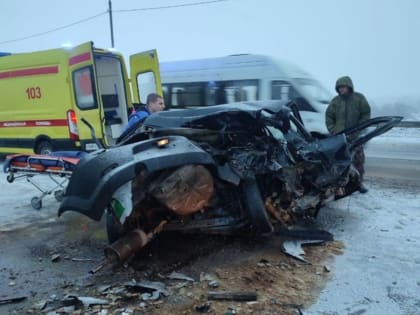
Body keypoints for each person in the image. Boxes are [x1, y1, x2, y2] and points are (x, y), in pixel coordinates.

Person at [325, 76, 371, 193]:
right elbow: (329, 116)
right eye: (339, 88)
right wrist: (333, 129)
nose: (341, 90)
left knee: (358, 161)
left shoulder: (359, 98)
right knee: (340, 162)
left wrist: (360, 128)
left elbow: (366, 114)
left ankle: (359, 183)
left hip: (355, 137)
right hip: (339, 138)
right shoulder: (335, 101)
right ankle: (338, 185)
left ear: (349, 87)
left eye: (343, 87)